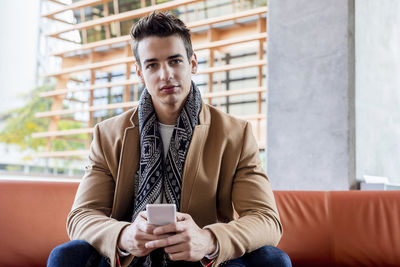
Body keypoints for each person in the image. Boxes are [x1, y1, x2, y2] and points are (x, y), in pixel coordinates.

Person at [48, 11, 291, 267]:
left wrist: (208, 239)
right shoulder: (108, 134)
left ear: (193, 63)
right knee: (65, 256)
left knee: (273, 260)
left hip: (201, 259)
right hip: (131, 258)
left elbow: (266, 219)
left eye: (175, 61)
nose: (165, 74)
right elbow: (81, 216)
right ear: (140, 73)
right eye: (152, 65)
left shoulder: (235, 134)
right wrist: (124, 235)